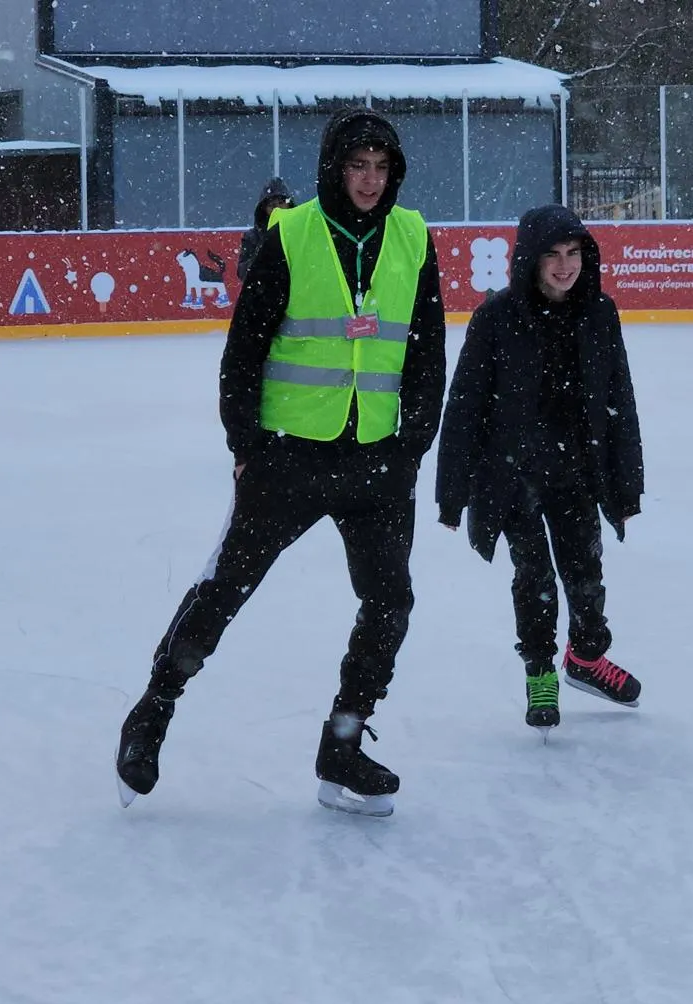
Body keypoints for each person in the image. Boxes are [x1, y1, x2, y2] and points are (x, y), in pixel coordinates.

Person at [115, 109, 447, 816]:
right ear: (334, 167)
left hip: (378, 464)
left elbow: (425, 352)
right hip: (289, 460)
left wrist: (413, 443)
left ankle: (343, 744)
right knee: (225, 590)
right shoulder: (290, 235)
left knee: (390, 603)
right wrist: (247, 448)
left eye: (381, 168)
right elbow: (244, 353)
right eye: (358, 166)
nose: (369, 180)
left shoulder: (414, 237)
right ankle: (154, 710)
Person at [435, 204, 644, 730]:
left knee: (586, 574)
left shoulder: (599, 313)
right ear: (530, 259)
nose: (564, 266)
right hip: (513, 474)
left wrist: (627, 476)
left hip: (574, 471)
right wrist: (452, 489)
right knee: (535, 577)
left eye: (573, 254)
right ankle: (540, 673)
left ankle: (586, 657)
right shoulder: (497, 317)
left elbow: (619, 396)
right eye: (551, 255)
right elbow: (464, 405)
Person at [238, 178, 294, 280]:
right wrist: (263, 251)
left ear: (289, 204)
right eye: (272, 205)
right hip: (266, 292)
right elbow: (242, 273)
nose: (277, 209)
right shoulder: (252, 237)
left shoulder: (299, 231)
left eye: (281, 203)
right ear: (264, 209)